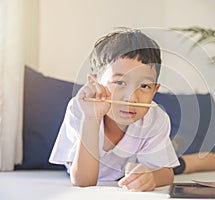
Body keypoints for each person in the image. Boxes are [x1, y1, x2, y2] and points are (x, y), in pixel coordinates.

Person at [49, 29, 179, 191]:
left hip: (139, 161)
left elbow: (167, 173)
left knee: (186, 163)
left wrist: (151, 177)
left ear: (155, 90)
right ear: (94, 83)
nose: (131, 98)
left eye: (144, 86)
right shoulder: (80, 109)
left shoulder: (156, 118)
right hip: (81, 166)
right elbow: (84, 181)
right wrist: (91, 118)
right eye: (120, 83)